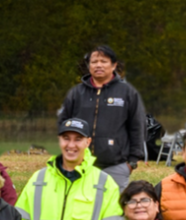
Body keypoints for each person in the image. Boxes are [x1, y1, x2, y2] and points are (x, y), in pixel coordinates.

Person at [16, 118, 123, 220]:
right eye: (66, 138)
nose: (71, 145)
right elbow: (20, 219)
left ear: (88, 142)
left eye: (78, 139)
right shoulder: (38, 179)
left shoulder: (104, 183)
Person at [58, 45, 149, 188]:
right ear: (89, 66)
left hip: (116, 166)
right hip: (80, 164)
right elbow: (63, 124)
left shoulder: (127, 92)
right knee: (82, 207)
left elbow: (137, 125)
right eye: (94, 61)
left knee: (114, 209)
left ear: (114, 65)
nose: (98, 65)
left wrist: (132, 162)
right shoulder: (76, 93)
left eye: (104, 61)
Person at [97, 181, 186, 220]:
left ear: (156, 205)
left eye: (145, 200)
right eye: (132, 202)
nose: (139, 206)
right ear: (124, 209)